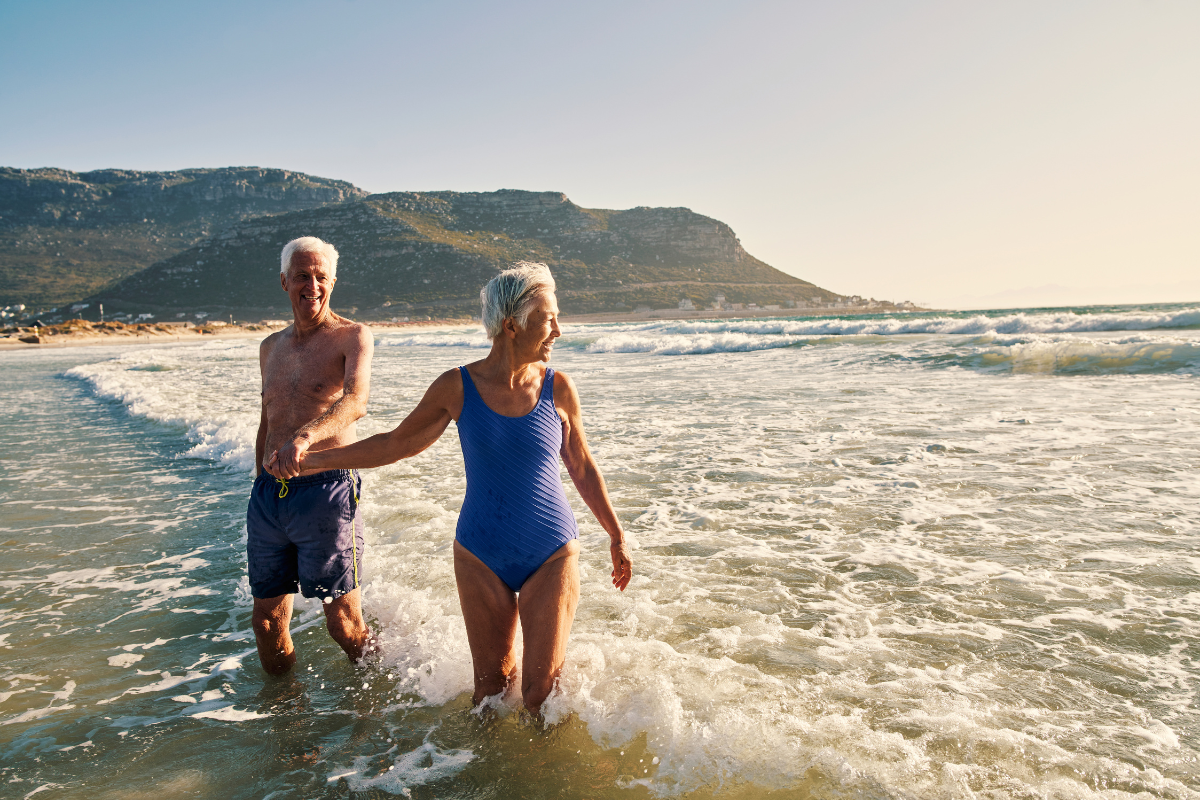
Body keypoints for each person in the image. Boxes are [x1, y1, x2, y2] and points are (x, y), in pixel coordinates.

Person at [265, 261, 632, 715]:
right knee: (491, 693)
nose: (558, 329)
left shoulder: (559, 388)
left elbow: (581, 464)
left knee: (539, 696)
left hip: (551, 551)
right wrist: (310, 464)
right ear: (512, 324)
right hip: (480, 554)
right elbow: (396, 444)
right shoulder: (456, 386)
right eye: (549, 317)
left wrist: (615, 534)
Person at [247, 236, 375, 675]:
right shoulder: (270, 347)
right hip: (269, 497)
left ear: (333, 282)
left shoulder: (352, 336)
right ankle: (287, 724)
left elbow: (356, 401)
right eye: (303, 276)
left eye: (322, 277)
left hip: (326, 489)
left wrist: (305, 438)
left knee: (342, 623)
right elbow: (267, 418)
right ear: (284, 281)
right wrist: (257, 481)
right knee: (266, 622)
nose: (313, 285)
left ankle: (378, 708)